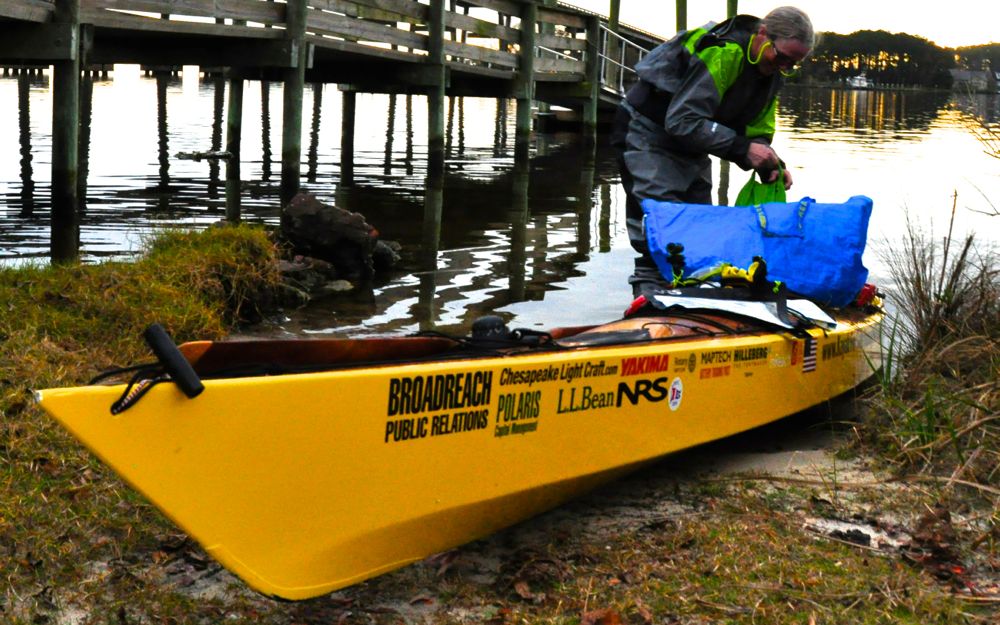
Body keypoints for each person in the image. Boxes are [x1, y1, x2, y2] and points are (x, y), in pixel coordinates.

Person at [612, 6, 815, 299]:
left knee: (699, 233)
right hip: (648, 132)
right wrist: (742, 149)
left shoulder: (772, 74)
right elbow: (682, 120)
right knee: (661, 227)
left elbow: (757, 128)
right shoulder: (724, 53)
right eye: (782, 57)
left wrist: (768, 163)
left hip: (692, 141)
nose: (784, 67)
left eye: (792, 64)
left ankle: (692, 309)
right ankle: (650, 307)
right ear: (761, 34)